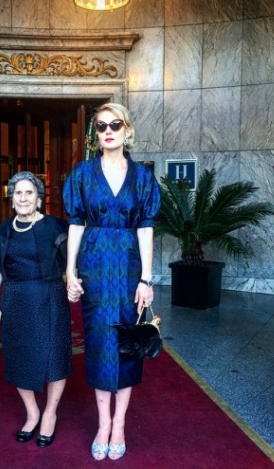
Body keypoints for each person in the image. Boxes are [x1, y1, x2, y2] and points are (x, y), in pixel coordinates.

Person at [63, 102, 161, 461]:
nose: (108, 131)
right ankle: (103, 423)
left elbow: (146, 229)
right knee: (100, 344)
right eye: (101, 125)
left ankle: (119, 424)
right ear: (96, 133)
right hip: (94, 265)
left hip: (130, 267)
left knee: (127, 344)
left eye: (115, 124)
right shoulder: (82, 174)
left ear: (127, 130)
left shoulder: (143, 178)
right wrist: (70, 271)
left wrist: (146, 279)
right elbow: (76, 224)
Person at [0, 171, 72, 448]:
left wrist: (74, 283)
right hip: (15, 299)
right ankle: (32, 413)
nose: (23, 198)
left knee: (54, 356)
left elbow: (72, 263)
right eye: (18, 193)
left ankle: (50, 414)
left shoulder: (56, 226)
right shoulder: (4, 229)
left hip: (50, 298)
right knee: (19, 357)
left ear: (39, 198)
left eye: (29, 192)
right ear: (12, 200)